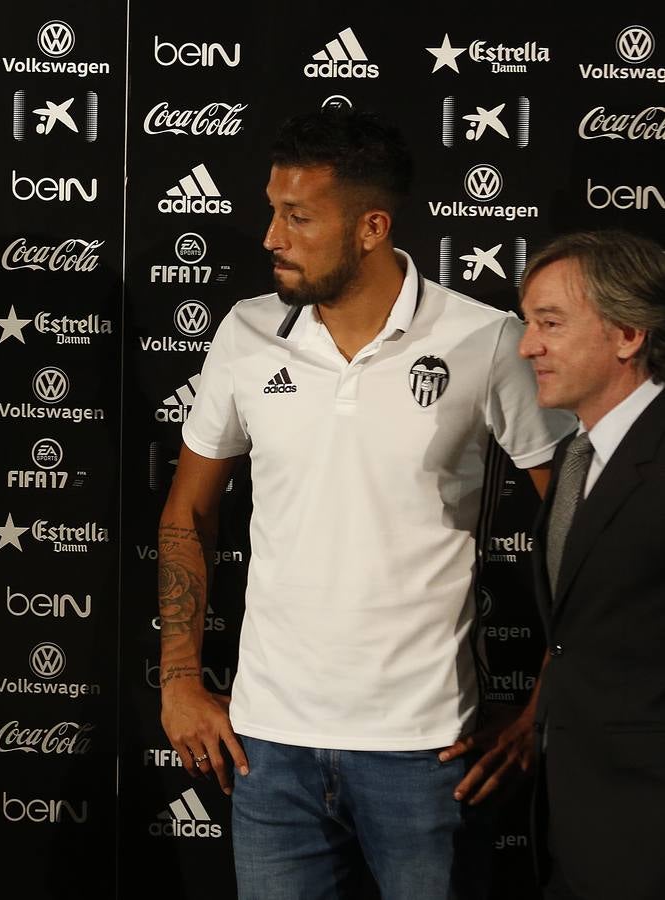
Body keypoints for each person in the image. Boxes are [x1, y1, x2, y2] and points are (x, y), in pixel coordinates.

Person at [156, 109, 572, 899]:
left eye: (298, 216)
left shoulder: (483, 340)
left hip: (426, 752)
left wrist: (537, 711)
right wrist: (178, 677)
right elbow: (188, 513)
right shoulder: (246, 332)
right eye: (272, 210)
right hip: (267, 750)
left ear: (371, 227)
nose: (272, 235)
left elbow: (581, 532)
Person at [515, 231, 665, 900]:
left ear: (628, 333)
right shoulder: (578, 455)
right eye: (527, 324)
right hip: (574, 825)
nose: (527, 347)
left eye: (548, 323)